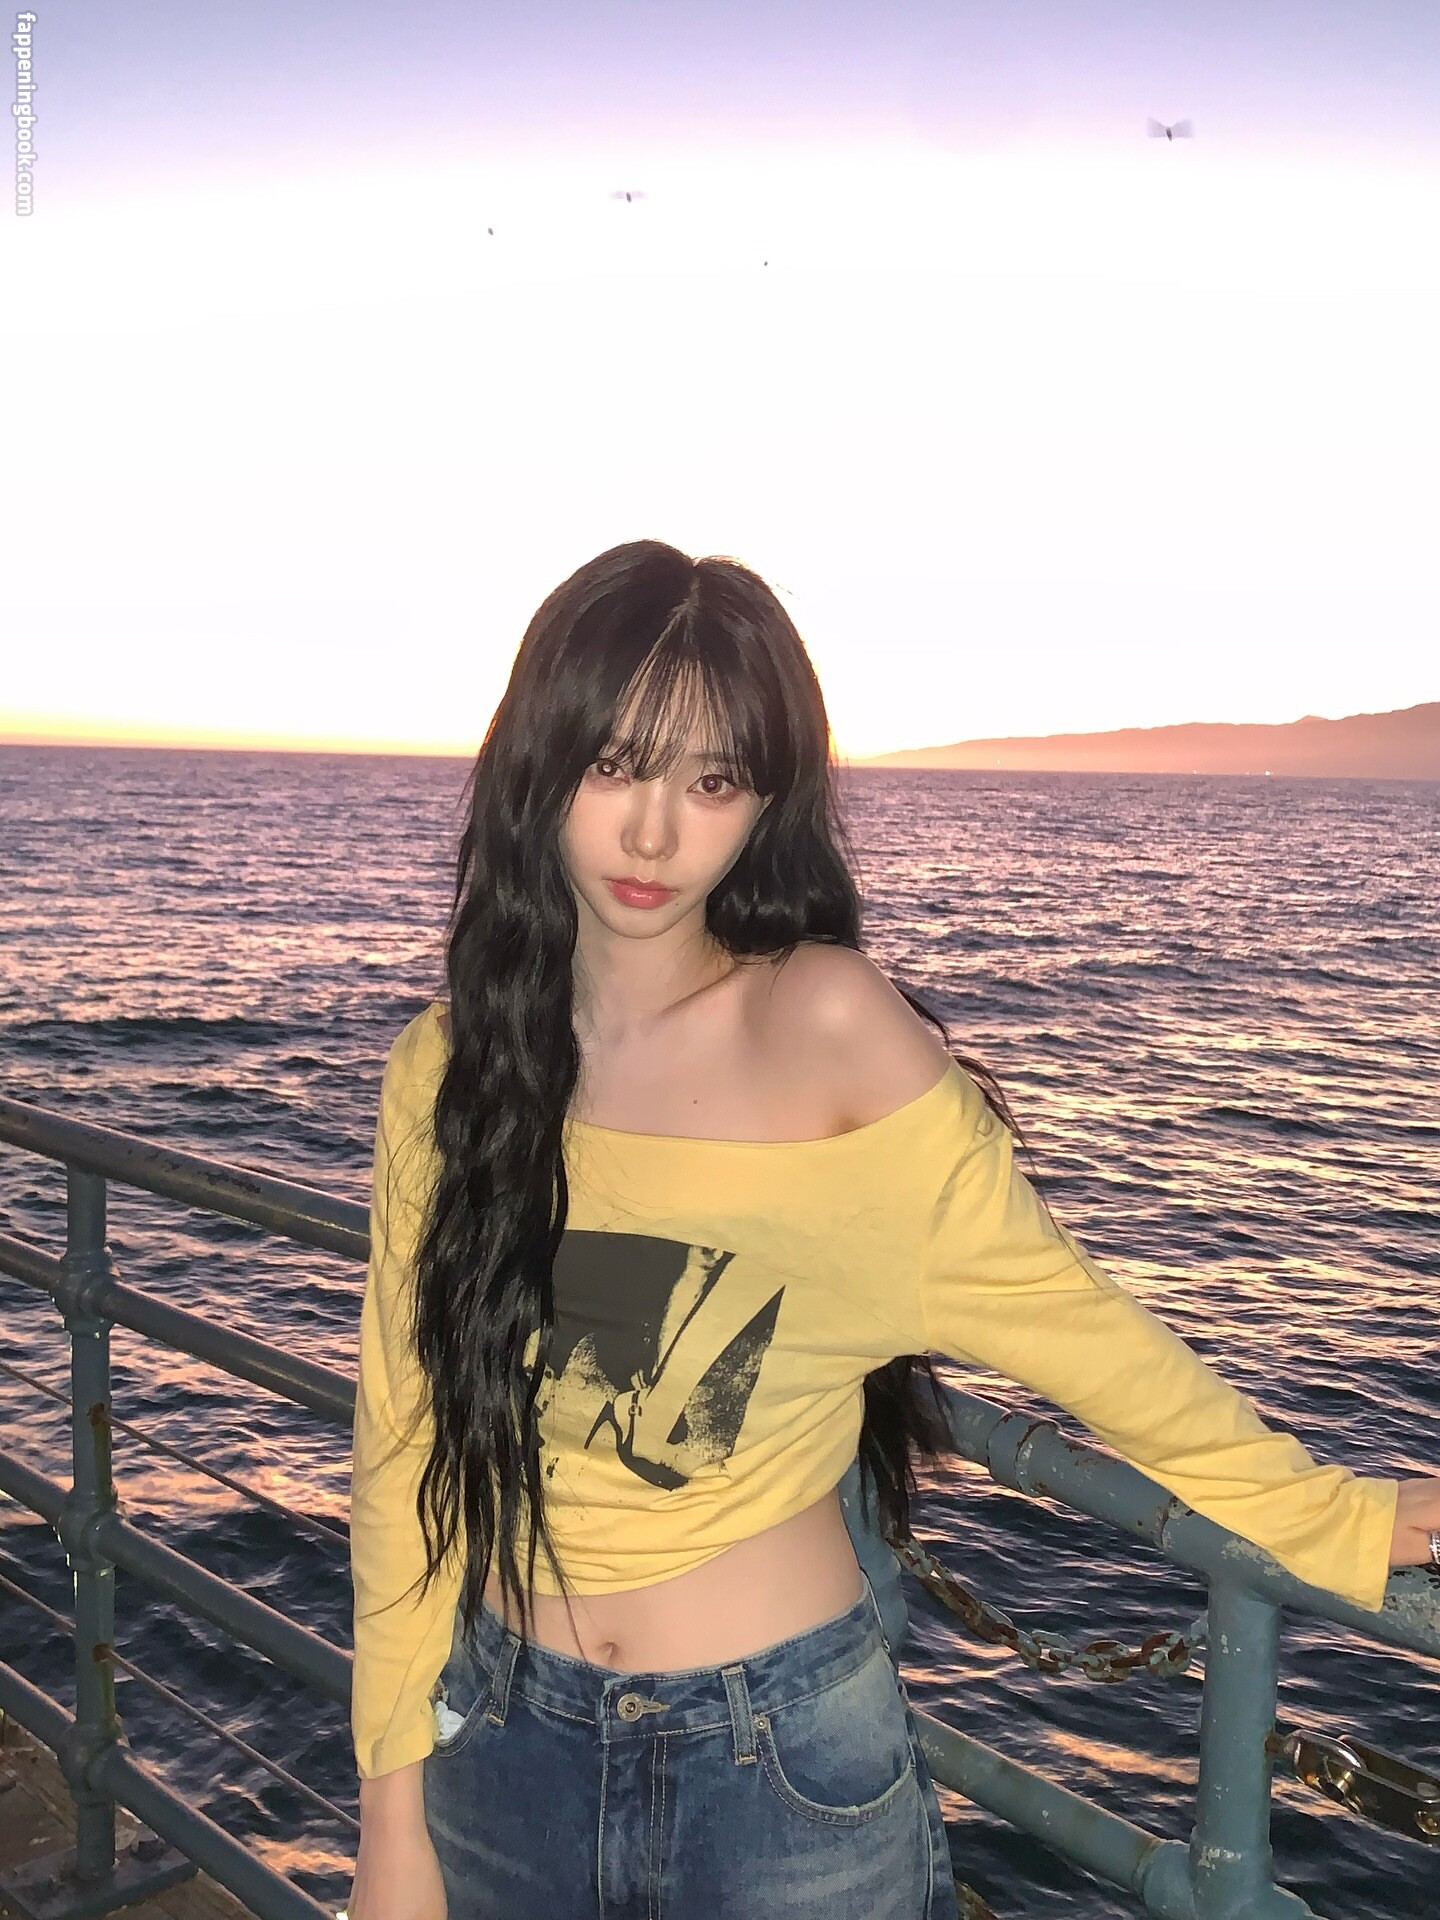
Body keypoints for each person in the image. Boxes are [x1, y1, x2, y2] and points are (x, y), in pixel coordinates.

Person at [344, 540, 1440, 1920]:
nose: (653, 834)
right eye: (615, 765)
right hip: (500, 1753)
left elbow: (1064, 1316)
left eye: (713, 782)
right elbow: (402, 1449)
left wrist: (1321, 1513)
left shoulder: (825, 1027)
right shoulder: (447, 1071)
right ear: (537, 761)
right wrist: (392, 1822)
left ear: (767, 803)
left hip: (775, 1777)